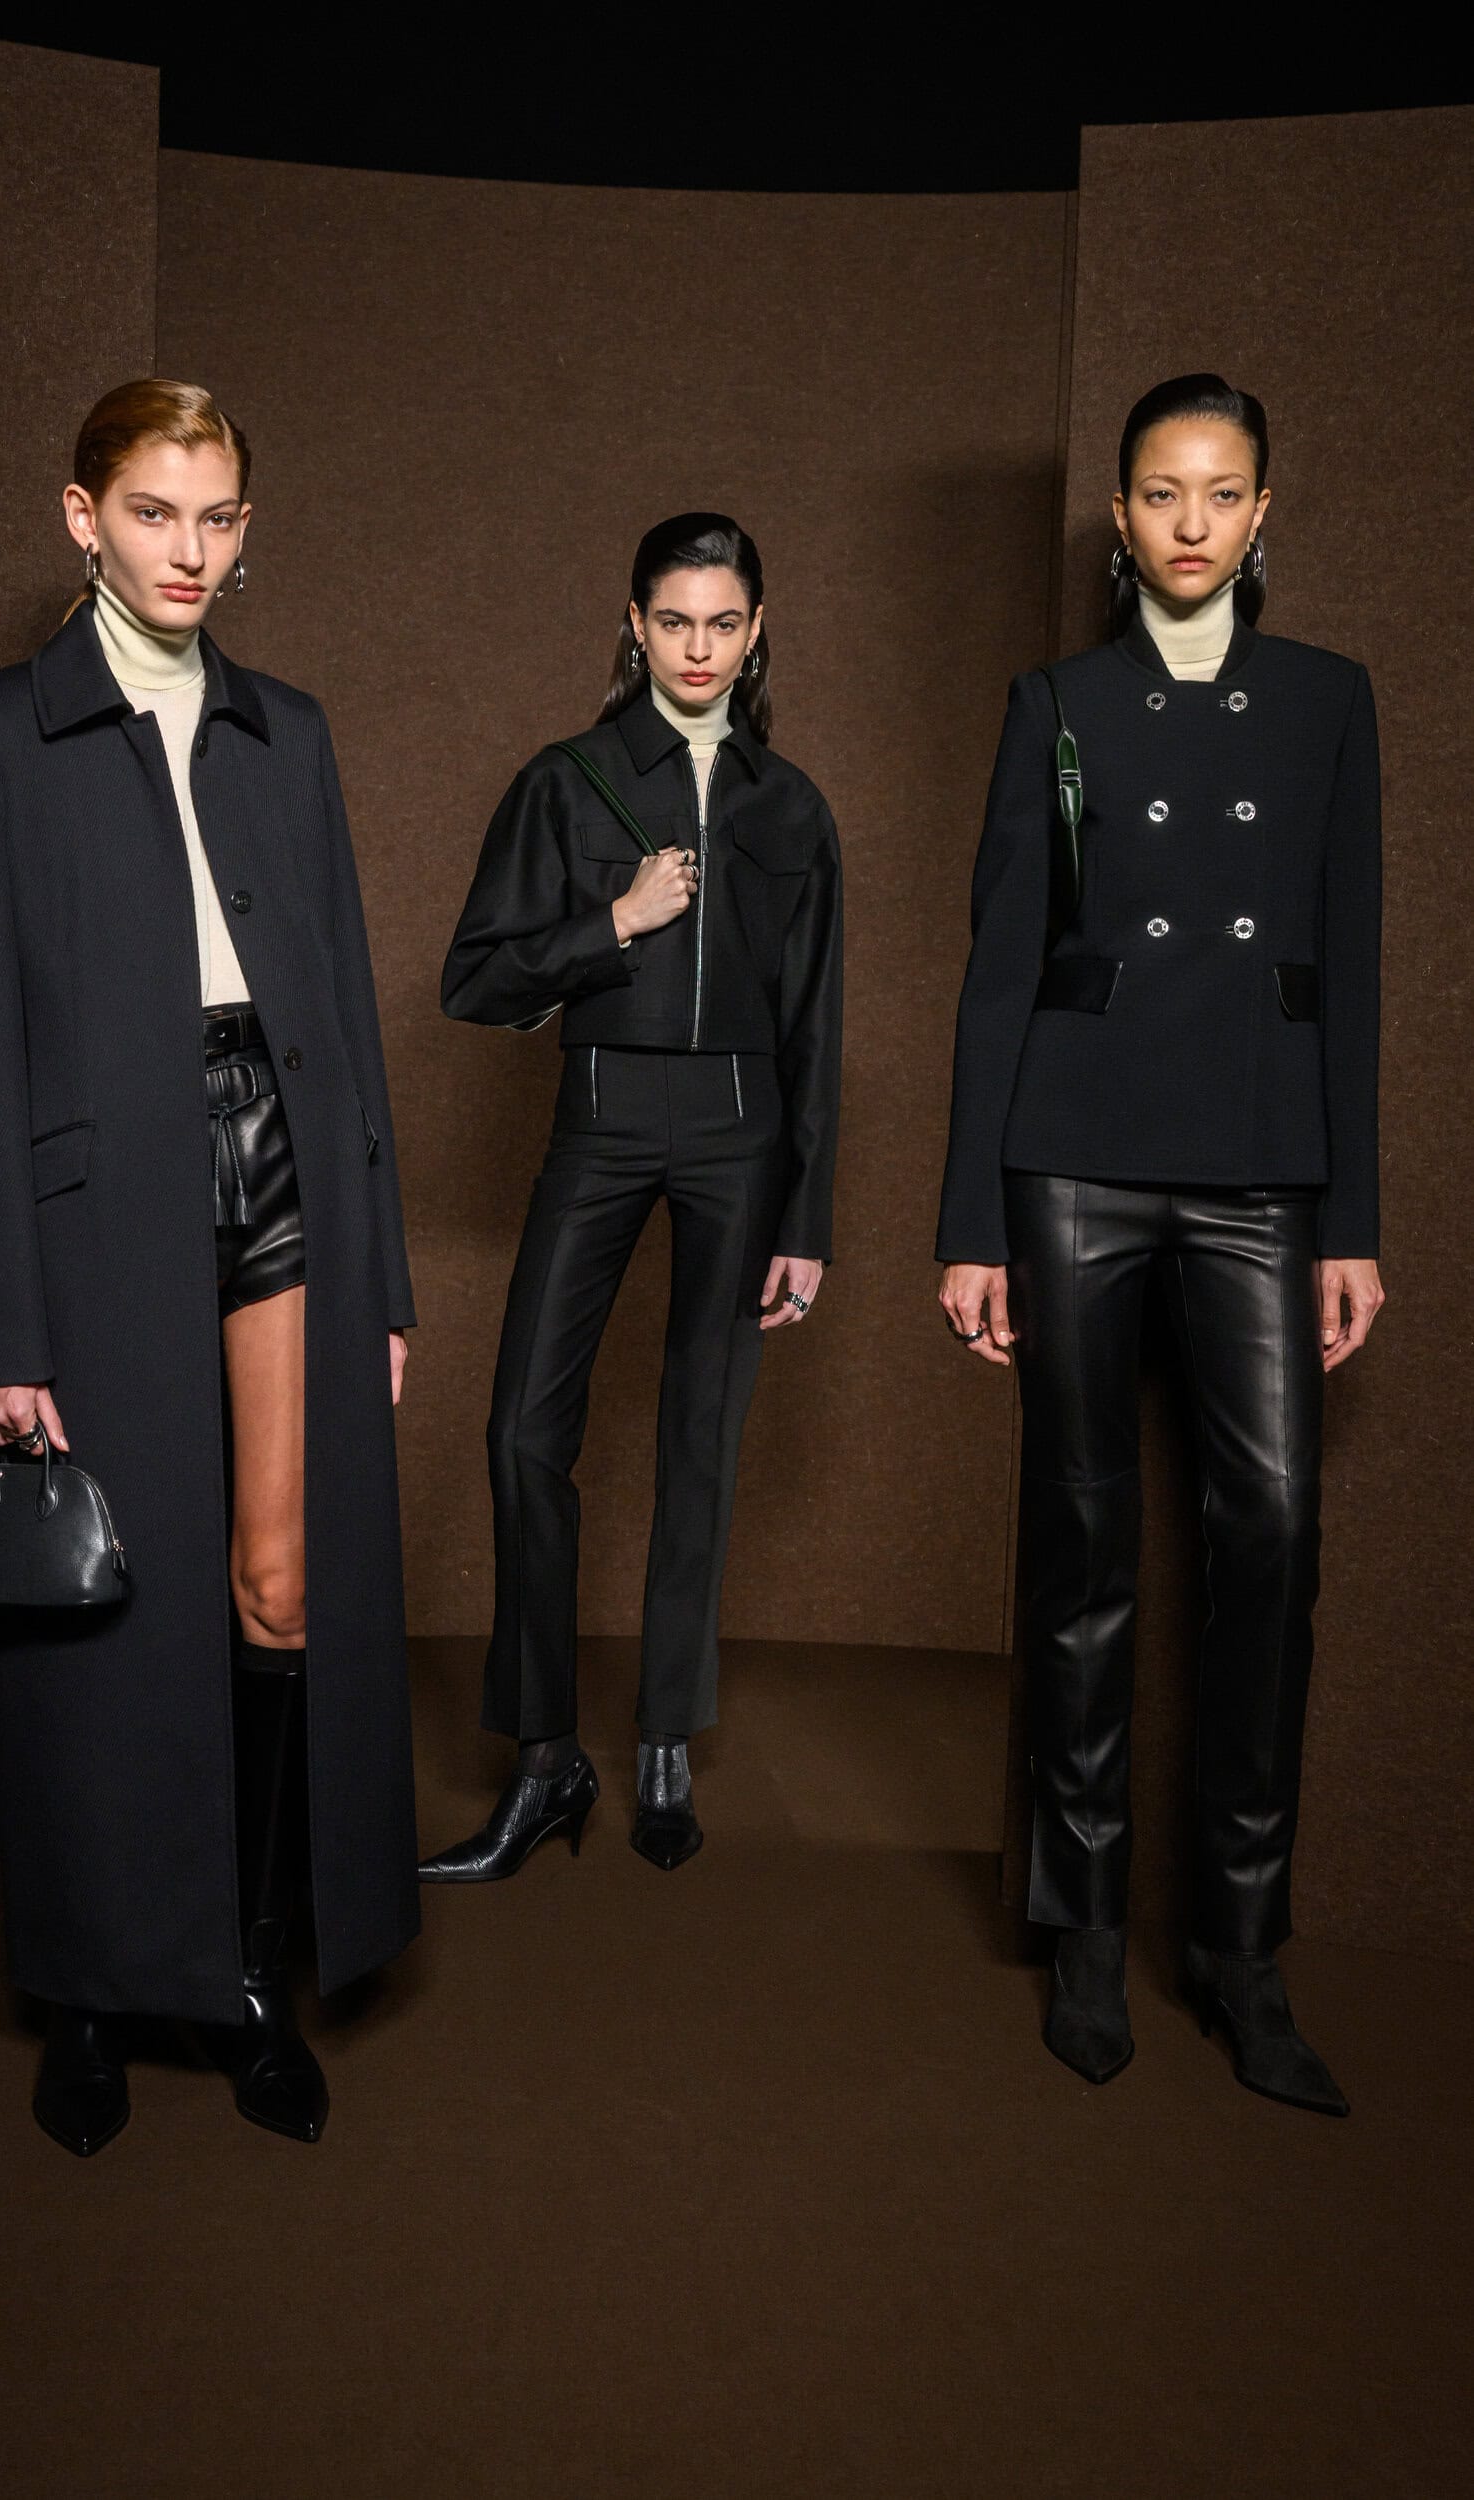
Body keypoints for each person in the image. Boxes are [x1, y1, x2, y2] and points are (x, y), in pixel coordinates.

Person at [0, 379, 417, 2154]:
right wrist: (6, 1324)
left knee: (279, 1586)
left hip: (286, 1164)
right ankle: (88, 1993)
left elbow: (346, 1009)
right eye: (153, 514)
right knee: (102, 1612)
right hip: (98, 1206)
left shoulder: (291, 728)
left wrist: (384, 1279)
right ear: (84, 519)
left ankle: (252, 1972)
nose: (189, 552)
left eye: (217, 519)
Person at [936, 374, 1383, 2113]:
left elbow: (1347, 968)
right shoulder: (1056, 703)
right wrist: (973, 1217)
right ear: (1119, 517)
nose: (1191, 522)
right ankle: (1082, 1920)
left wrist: (1352, 1216)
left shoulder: (1328, 701)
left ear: (1264, 512)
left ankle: (1239, 1945)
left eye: (1222, 492)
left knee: (1271, 1530)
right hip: (1077, 1156)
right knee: (1082, 1538)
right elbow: (999, 965)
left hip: (1262, 1164)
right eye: (1160, 493)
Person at [420, 514, 843, 1880]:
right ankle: (546, 1755)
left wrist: (806, 1221)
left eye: (723, 623)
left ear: (756, 630)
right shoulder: (571, 782)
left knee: (701, 1437)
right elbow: (475, 979)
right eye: (673, 621)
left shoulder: (793, 808)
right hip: (600, 1123)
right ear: (635, 625)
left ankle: (665, 1735)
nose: (698, 649)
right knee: (522, 1430)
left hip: (742, 1137)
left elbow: (816, 1026)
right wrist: (615, 922)